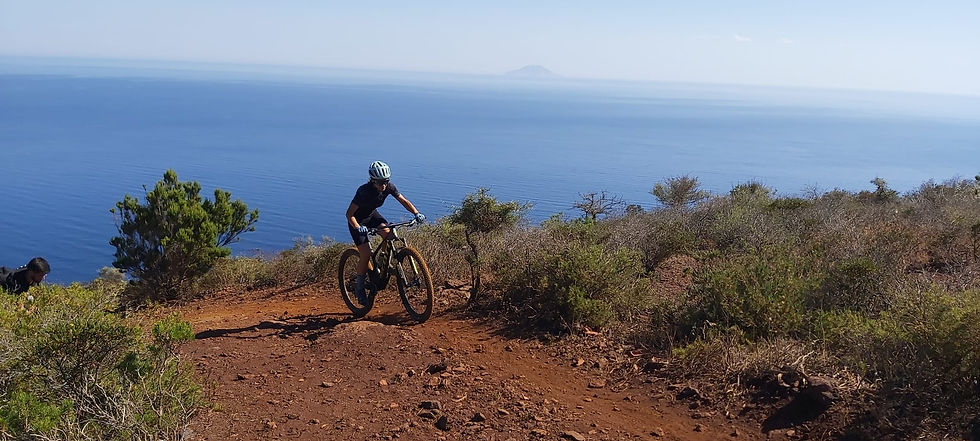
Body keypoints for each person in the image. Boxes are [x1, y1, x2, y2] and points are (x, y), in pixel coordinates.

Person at [346, 161, 425, 304]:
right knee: (366, 254)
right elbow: (349, 214)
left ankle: (382, 262)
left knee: (390, 235)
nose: (383, 185)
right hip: (357, 221)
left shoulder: (389, 187)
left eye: (386, 181)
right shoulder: (363, 191)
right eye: (380, 182)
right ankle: (360, 287)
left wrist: (416, 213)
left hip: (372, 216)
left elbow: (403, 200)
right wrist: (358, 227)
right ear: (372, 180)